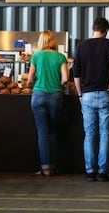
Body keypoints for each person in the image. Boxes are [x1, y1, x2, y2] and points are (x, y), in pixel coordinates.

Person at [73, 17, 109, 182]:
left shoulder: (81, 46)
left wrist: (79, 94)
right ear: (106, 30)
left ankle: (90, 171)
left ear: (93, 29)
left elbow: (76, 74)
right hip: (105, 94)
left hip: (87, 95)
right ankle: (102, 172)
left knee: (89, 134)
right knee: (105, 134)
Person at [28, 30, 69, 176]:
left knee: (42, 133)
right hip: (55, 97)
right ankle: (54, 166)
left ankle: (45, 168)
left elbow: (29, 79)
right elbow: (65, 79)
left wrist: (35, 82)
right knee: (53, 131)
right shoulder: (60, 57)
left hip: (38, 96)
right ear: (53, 42)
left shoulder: (36, 56)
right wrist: (59, 83)